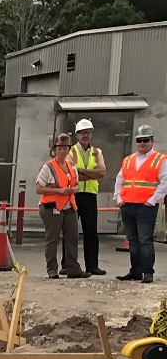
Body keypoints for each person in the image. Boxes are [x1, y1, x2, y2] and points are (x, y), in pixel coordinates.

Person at [115, 123, 165, 283]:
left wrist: (152, 200)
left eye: (145, 140)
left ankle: (147, 272)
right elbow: (120, 179)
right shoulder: (128, 160)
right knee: (133, 241)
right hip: (128, 204)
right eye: (139, 140)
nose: (142, 143)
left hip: (146, 207)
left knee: (145, 240)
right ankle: (135, 271)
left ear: (152, 141)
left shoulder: (160, 159)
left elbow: (165, 182)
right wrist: (119, 198)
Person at [35, 134, 83, 279]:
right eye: (59, 148)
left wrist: (74, 190)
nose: (62, 151)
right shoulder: (48, 168)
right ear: (55, 149)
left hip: (69, 207)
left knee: (72, 238)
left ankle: (73, 268)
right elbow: (39, 188)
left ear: (69, 149)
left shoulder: (71, 167)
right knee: (52, 239)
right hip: (51, 207)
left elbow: (76, 185)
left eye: (65, 148)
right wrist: (59, 191)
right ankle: (52, 269)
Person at [69, 118, 105, 275]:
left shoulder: (97, 153)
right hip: (74, 194)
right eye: (83, 133)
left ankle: (92, 266)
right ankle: (67, 264)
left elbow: (102, 173)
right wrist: (92, 174)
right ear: (77, 135)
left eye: (88, 133)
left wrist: (81, 171)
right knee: (70, 232)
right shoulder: (71, 152)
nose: (86, 136)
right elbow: (71, 175)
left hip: (90, 195)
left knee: (91, 232)